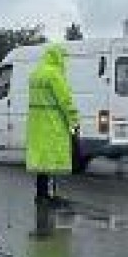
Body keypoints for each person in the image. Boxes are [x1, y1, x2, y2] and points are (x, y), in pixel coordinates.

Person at [25, 44, 79, 202]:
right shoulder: (54, 75)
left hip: (36, 123)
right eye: (63, 58)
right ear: (57, 57)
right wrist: (74, 121)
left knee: (41, 161)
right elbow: (65, 100)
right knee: (52, 160)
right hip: (52, 122)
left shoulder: (35, 74)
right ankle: (50, 195)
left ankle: (41, 194)